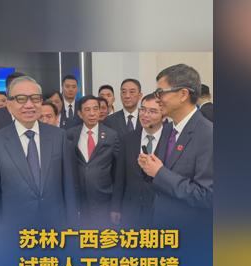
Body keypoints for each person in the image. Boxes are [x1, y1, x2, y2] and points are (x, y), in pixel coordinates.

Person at [0, 75, 77, 225]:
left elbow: (69, 189)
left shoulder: (59, 136)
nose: (29, 105)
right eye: (21, 99)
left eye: (35, 98)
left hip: (55, 228)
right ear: (9, 105)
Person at [137, 64, 212, 224]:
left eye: (160, 92)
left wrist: (159, 172)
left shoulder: (207, 134)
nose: (157, 99)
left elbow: (205, 196)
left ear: (183, 94)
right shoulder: (168, 129)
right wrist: (149, 168)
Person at [65, 95, 122, 225]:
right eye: (87, 109)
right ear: (80, 114)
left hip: (104, 199)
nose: (92, 113)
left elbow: (119, 172)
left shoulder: (111, 135)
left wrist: (116, 205)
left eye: (95, 109)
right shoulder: (70, 134)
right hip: (79, 200)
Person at [116, 94, 167, 225]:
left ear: (164, 115)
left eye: (152, 111)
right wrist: (115, 207)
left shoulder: (171, 139)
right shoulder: (128, 139)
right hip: (131, 209)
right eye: (143, 109)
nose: (145, 115)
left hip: (159, 209)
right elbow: (120, 176)